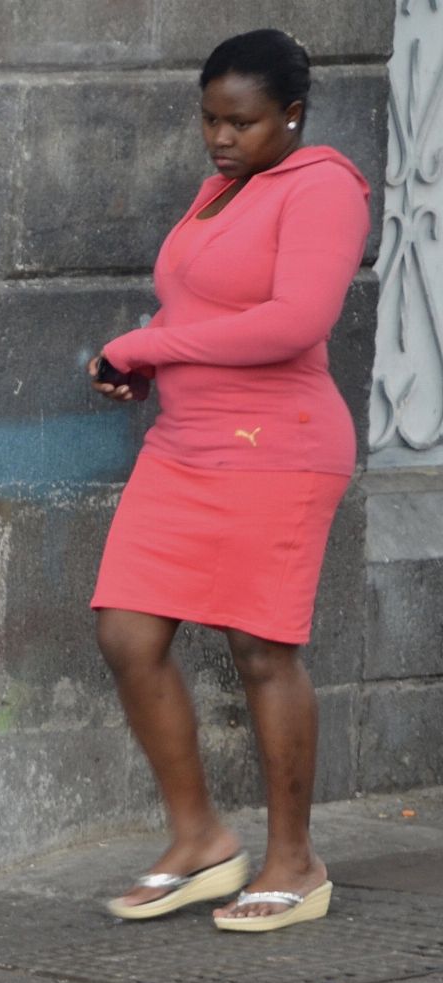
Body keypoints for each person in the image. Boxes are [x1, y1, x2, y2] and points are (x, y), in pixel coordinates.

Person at [88, 29, 371, 934]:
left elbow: (295, 322)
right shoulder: (222, 191)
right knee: (128, 631)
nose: (220, 137)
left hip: (279, 447)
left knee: (261, 650)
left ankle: (296, 860)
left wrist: (147, 344)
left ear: (291, 114)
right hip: (187, 445)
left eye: (242, 122)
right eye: (210, 118)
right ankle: (201, 839)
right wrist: (149, 370)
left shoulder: (323, 185)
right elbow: (204, 309)